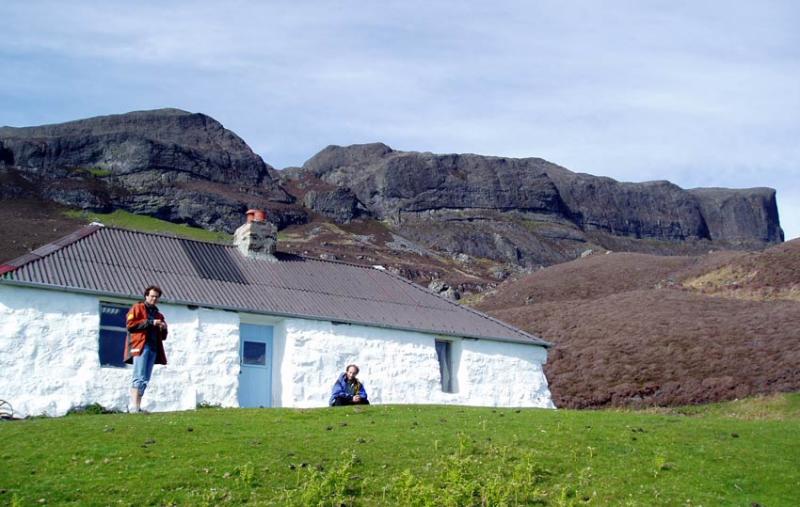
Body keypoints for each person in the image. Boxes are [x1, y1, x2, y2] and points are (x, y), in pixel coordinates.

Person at [124, 285, 168, 413]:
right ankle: (134, 407)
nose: (154, 298)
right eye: (152, 296)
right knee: (139, 376)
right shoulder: (137, 308)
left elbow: (163, 337)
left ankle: (137, 407)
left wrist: (163, 328)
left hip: (154, 348)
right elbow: (130, 325)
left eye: (156, 297)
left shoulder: (159, 315)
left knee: (145, 378)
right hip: (141, 346)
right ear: (146, 296)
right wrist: (151, 322)